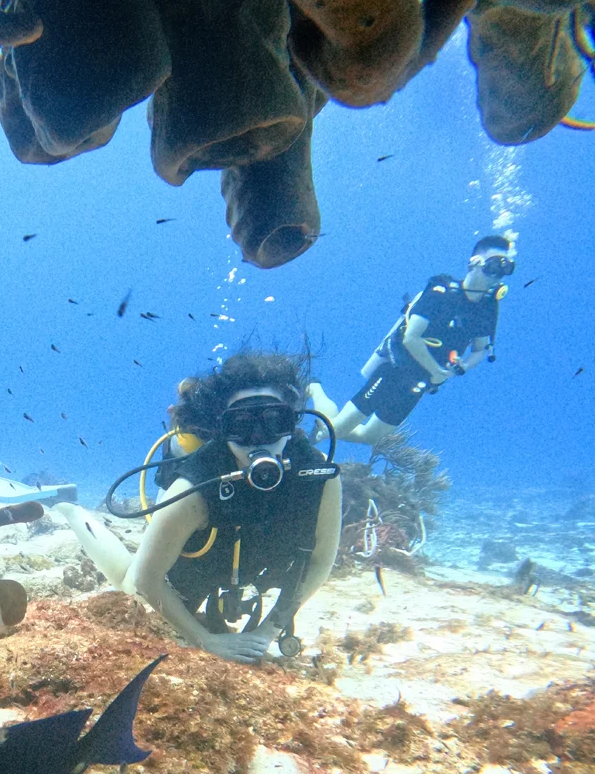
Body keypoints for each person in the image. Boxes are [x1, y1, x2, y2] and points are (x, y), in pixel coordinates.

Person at [56, 352, 342, 663]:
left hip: (259, 562)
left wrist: (267, 631)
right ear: (223, 428)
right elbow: (147, 579)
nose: (258, 438)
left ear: (292, 422)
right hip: (199, 560)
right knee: (130, 587)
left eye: (274, 421)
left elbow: (319, 563)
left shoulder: (319, 477)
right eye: (241, 425)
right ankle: (74, 513)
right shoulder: (192, 488)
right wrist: (203, 639)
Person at [307, 236, 514, 445]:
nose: (499, 274)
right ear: (475, 262)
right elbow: (411, 338)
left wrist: (462, 367)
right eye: (495, 265)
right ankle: (314, 390)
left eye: (507, 268)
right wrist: (436, 371)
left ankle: (323, 424)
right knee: (334, 430)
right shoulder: (441, 292)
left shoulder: (487, 308)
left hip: (421, 382)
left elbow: (479, 349)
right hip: (395, 368)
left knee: (370, 437)